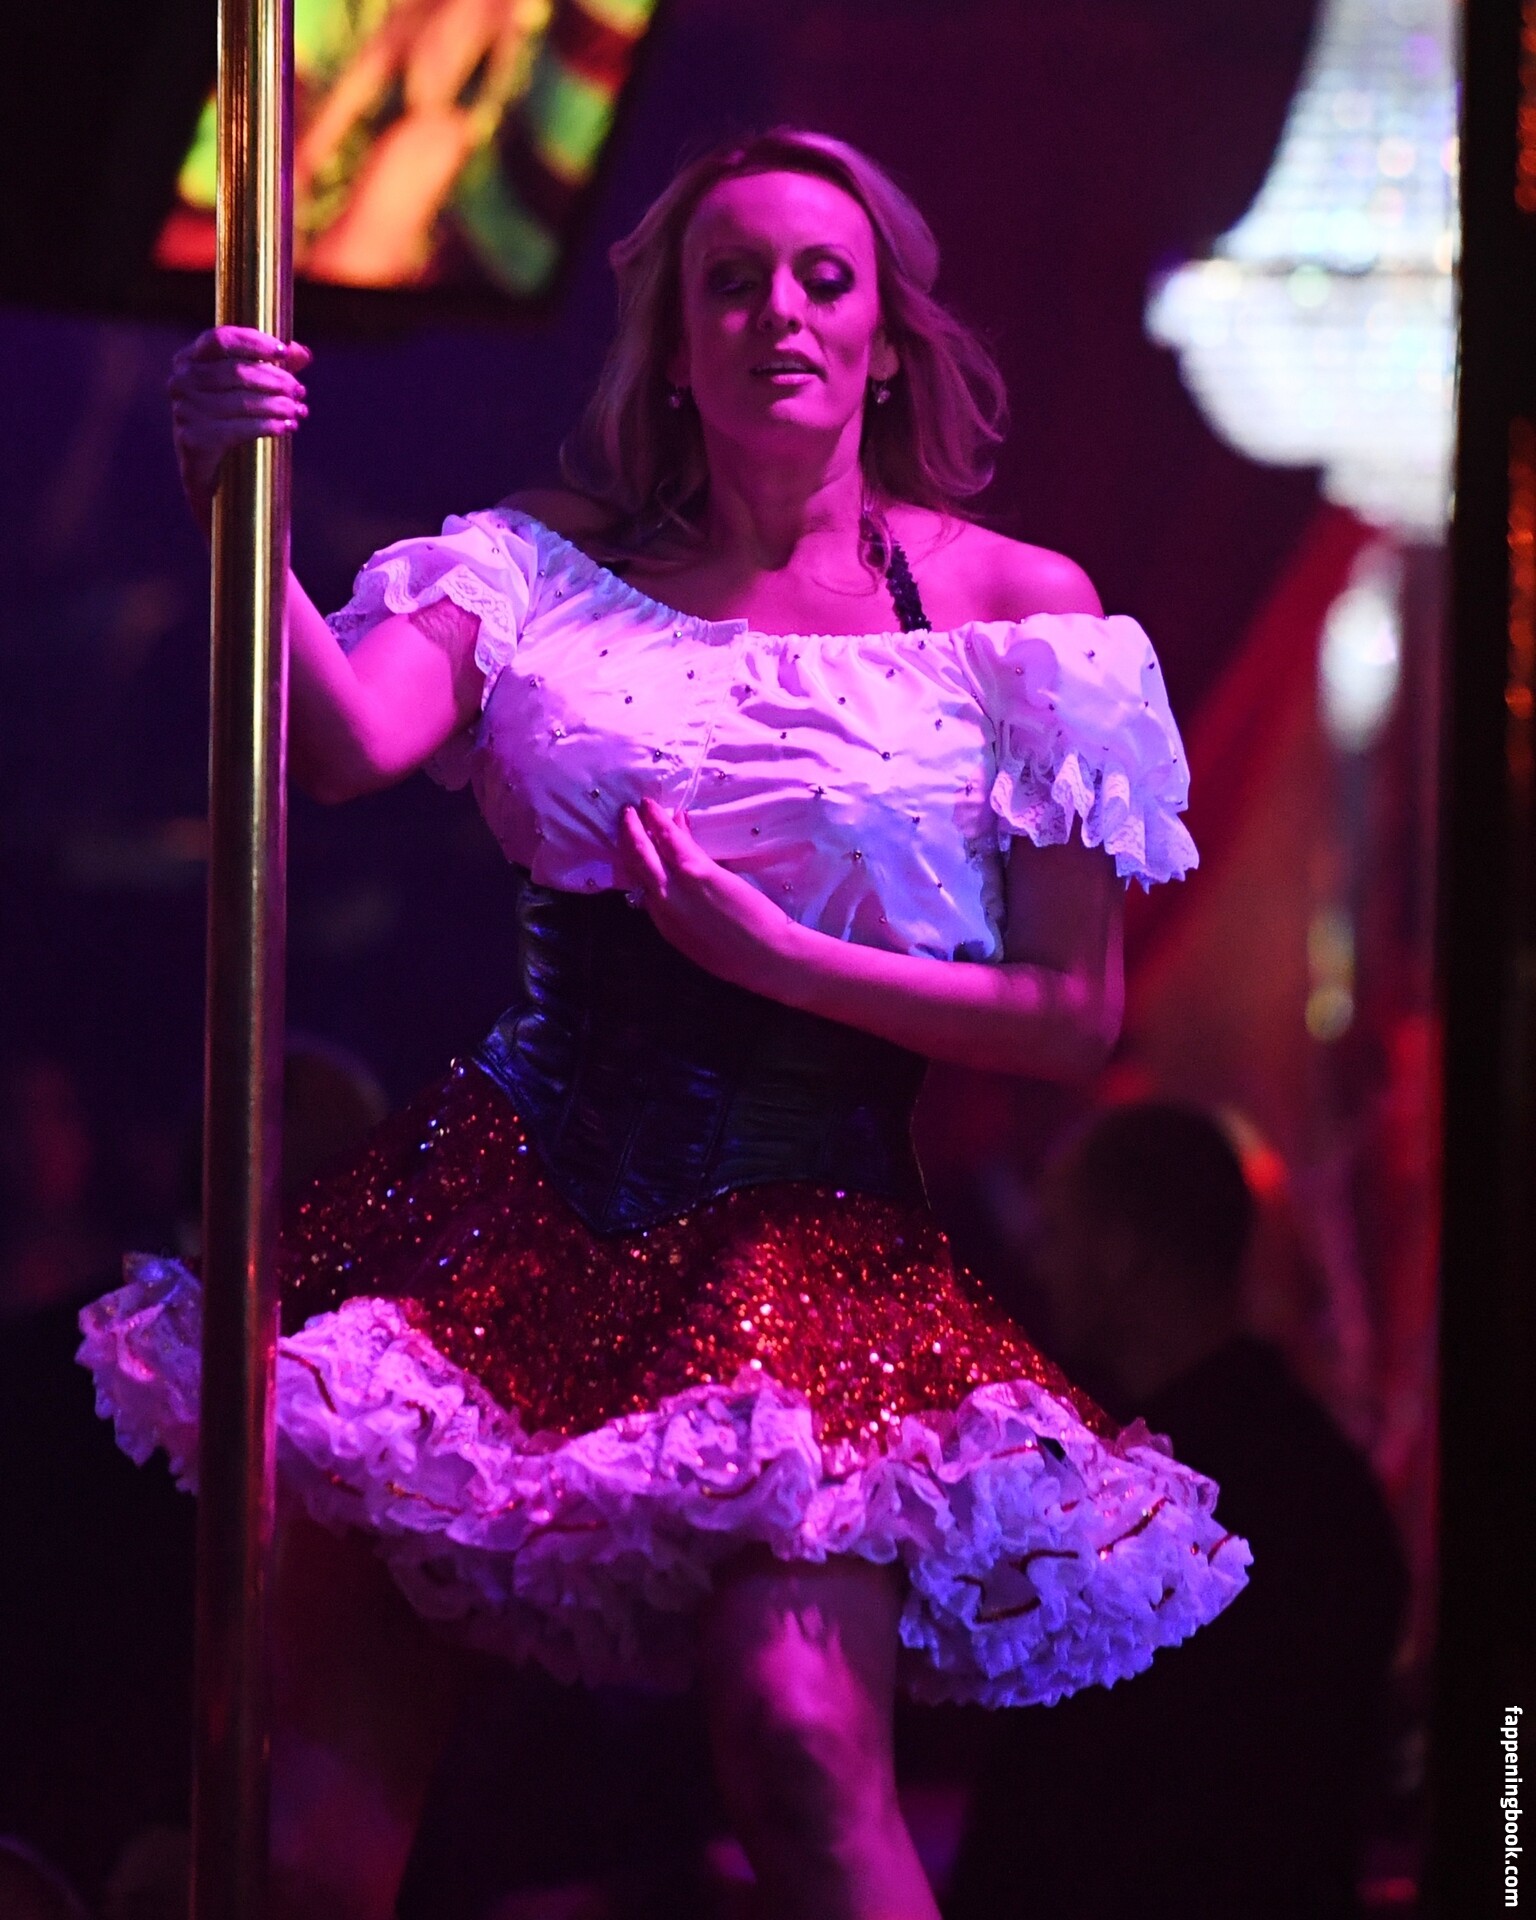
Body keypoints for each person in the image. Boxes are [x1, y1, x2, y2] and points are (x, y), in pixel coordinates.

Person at [79, 130, 1249, 1920]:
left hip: (811, 1246)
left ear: (884, 339)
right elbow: (345, 743)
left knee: (801, 1748)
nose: (780, 310)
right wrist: (235, 498)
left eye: (822, 279)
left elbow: (1070, 1015)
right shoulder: (540, 566)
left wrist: (777, 958)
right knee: (312, 1824)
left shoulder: (1022, 618)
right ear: (678, 344)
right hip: (503, 1209)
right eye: (733, 281)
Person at [947, 1103, 1408, 1920]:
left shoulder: (1130, 1506)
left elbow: (1064, 1814)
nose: (1038, 1265)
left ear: (1121, 1251)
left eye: (1057, 1232)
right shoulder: (1327, 1483)